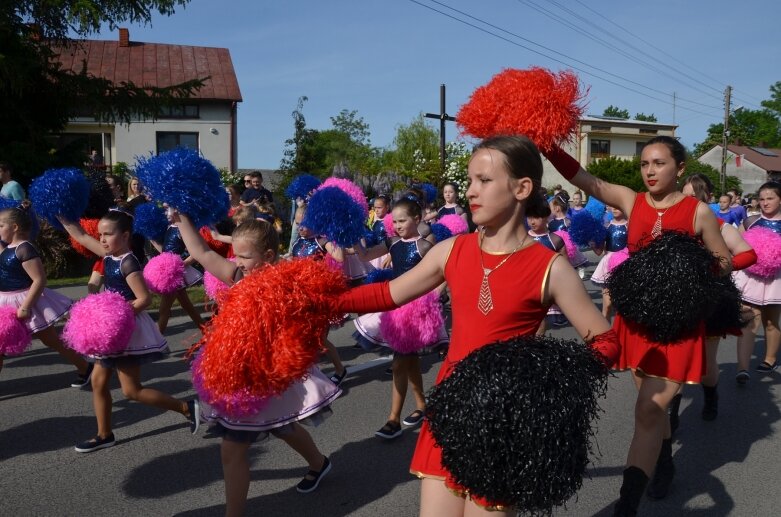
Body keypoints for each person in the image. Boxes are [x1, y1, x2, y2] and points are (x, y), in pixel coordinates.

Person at [338, 135, 619, 515]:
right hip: (450, 409)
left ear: (522, 188)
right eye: (470, 180)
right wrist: (320, 302)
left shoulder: (550, 267)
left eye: (484, 181)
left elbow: (605, 342)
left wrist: (539, 380)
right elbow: (387, 294)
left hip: (504, 420)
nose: (471, 191)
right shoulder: (451, 249)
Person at [545, 135, 730, 514]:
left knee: (648, 409)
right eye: (645, 164)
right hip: (638, 320)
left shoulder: (699, 212)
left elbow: (723, 261)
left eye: (659, 163)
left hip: (678, 322)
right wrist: (547, 143)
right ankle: (663, 461)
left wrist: (685, 270)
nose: (649, 171)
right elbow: (585, 180)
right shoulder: (632, 200)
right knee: (651, 406)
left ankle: (626, 506)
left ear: (679, 169)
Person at [175, 213, 340, 515]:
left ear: (268, 256)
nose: (236, 261)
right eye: (235, 254)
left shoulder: (289, 286)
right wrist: (181, 217)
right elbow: (201, 252)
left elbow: (311, 323)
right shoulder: (238, 277)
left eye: (244, 256)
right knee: (281, 426)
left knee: (232, 449)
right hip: (241, 375)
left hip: (267, 377)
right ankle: (319, 463)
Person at [59, 208, 199, 453]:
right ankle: (104, 434)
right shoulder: (107, 255)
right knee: (99, 383)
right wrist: (60, 213)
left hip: (125, 329)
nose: (102, 239)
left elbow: (144, 299)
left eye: (108, 234)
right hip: (109, 329)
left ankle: (187, 408)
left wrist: (114, 314)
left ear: (125, 236)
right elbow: (81, 236)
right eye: (100, 234)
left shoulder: (128, 262)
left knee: (131, 390)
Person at [354, 198, 449, 440]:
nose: (397, 225)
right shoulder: (392, 242)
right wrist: (351, 234)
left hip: (415, 315)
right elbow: (365, 256)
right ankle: (422, 405)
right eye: (394, 221)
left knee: (399, 363)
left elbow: (445, 272)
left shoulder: (425, 247)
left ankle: (393, 419)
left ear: (417, 219)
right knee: (409, 362)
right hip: (396, 311)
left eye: (402, 220)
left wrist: (433, 296)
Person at [677, 173, 755, 422]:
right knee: (675, 359)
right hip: (676, 299)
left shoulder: (720, 226)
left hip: (711, 300)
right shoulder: (673, 225)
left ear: (706, 198)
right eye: (684, 196)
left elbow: (748, 254)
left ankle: (711, 399)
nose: (688, 201)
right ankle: (670, 417)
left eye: (694, 197)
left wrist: (716, 268)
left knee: (707, 361)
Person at [0, 202, 92, 385]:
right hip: (5, 303)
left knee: (51, 341)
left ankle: (85, 366)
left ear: (15, 227)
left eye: (1, 225)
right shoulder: (7, 248)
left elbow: (39, 280)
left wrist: (26, 307)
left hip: (27, 302)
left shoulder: (24, 248)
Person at [290, 220, 348, 385]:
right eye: (298, 224)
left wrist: (338, 236)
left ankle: (340, 370)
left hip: (320, 296)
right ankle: (308, 376)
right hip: (302, 295)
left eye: (305, 224)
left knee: (320, 338)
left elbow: (339, 257)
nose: (301, 228)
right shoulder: (297, 242)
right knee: (304, 337)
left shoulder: (322, 241)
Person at [733, 181, 781, 381]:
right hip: (751, 277)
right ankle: (742, 368)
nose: (765, 203)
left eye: (770, 198)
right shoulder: (750, 221)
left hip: (776, 279)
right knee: (748, 321)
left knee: (770, 322)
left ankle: (769, 359)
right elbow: (735, 245)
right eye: (762, 199)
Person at [151, 208, 205, 334]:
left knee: (164, 310)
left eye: (169, 209)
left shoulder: (183, 229)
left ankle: (157, 344)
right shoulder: (170, 227)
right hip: (169, 273)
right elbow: (166, 251)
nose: (166, 212)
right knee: (187, 306)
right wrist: (152, 240)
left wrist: (181, 264)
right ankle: (207, 331)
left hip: (174, 275)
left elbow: (196, 253)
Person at [589, 206, 629, 319]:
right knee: (607, 305)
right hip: (607, 266)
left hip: (624, 266)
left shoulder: (629, 226)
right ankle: (605, 334)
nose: (615, 208)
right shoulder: (606, 226)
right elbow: (599, 251)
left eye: (618, 206)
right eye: (613, 206)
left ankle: (619, 332)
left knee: (620, 306)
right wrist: (592, 243)